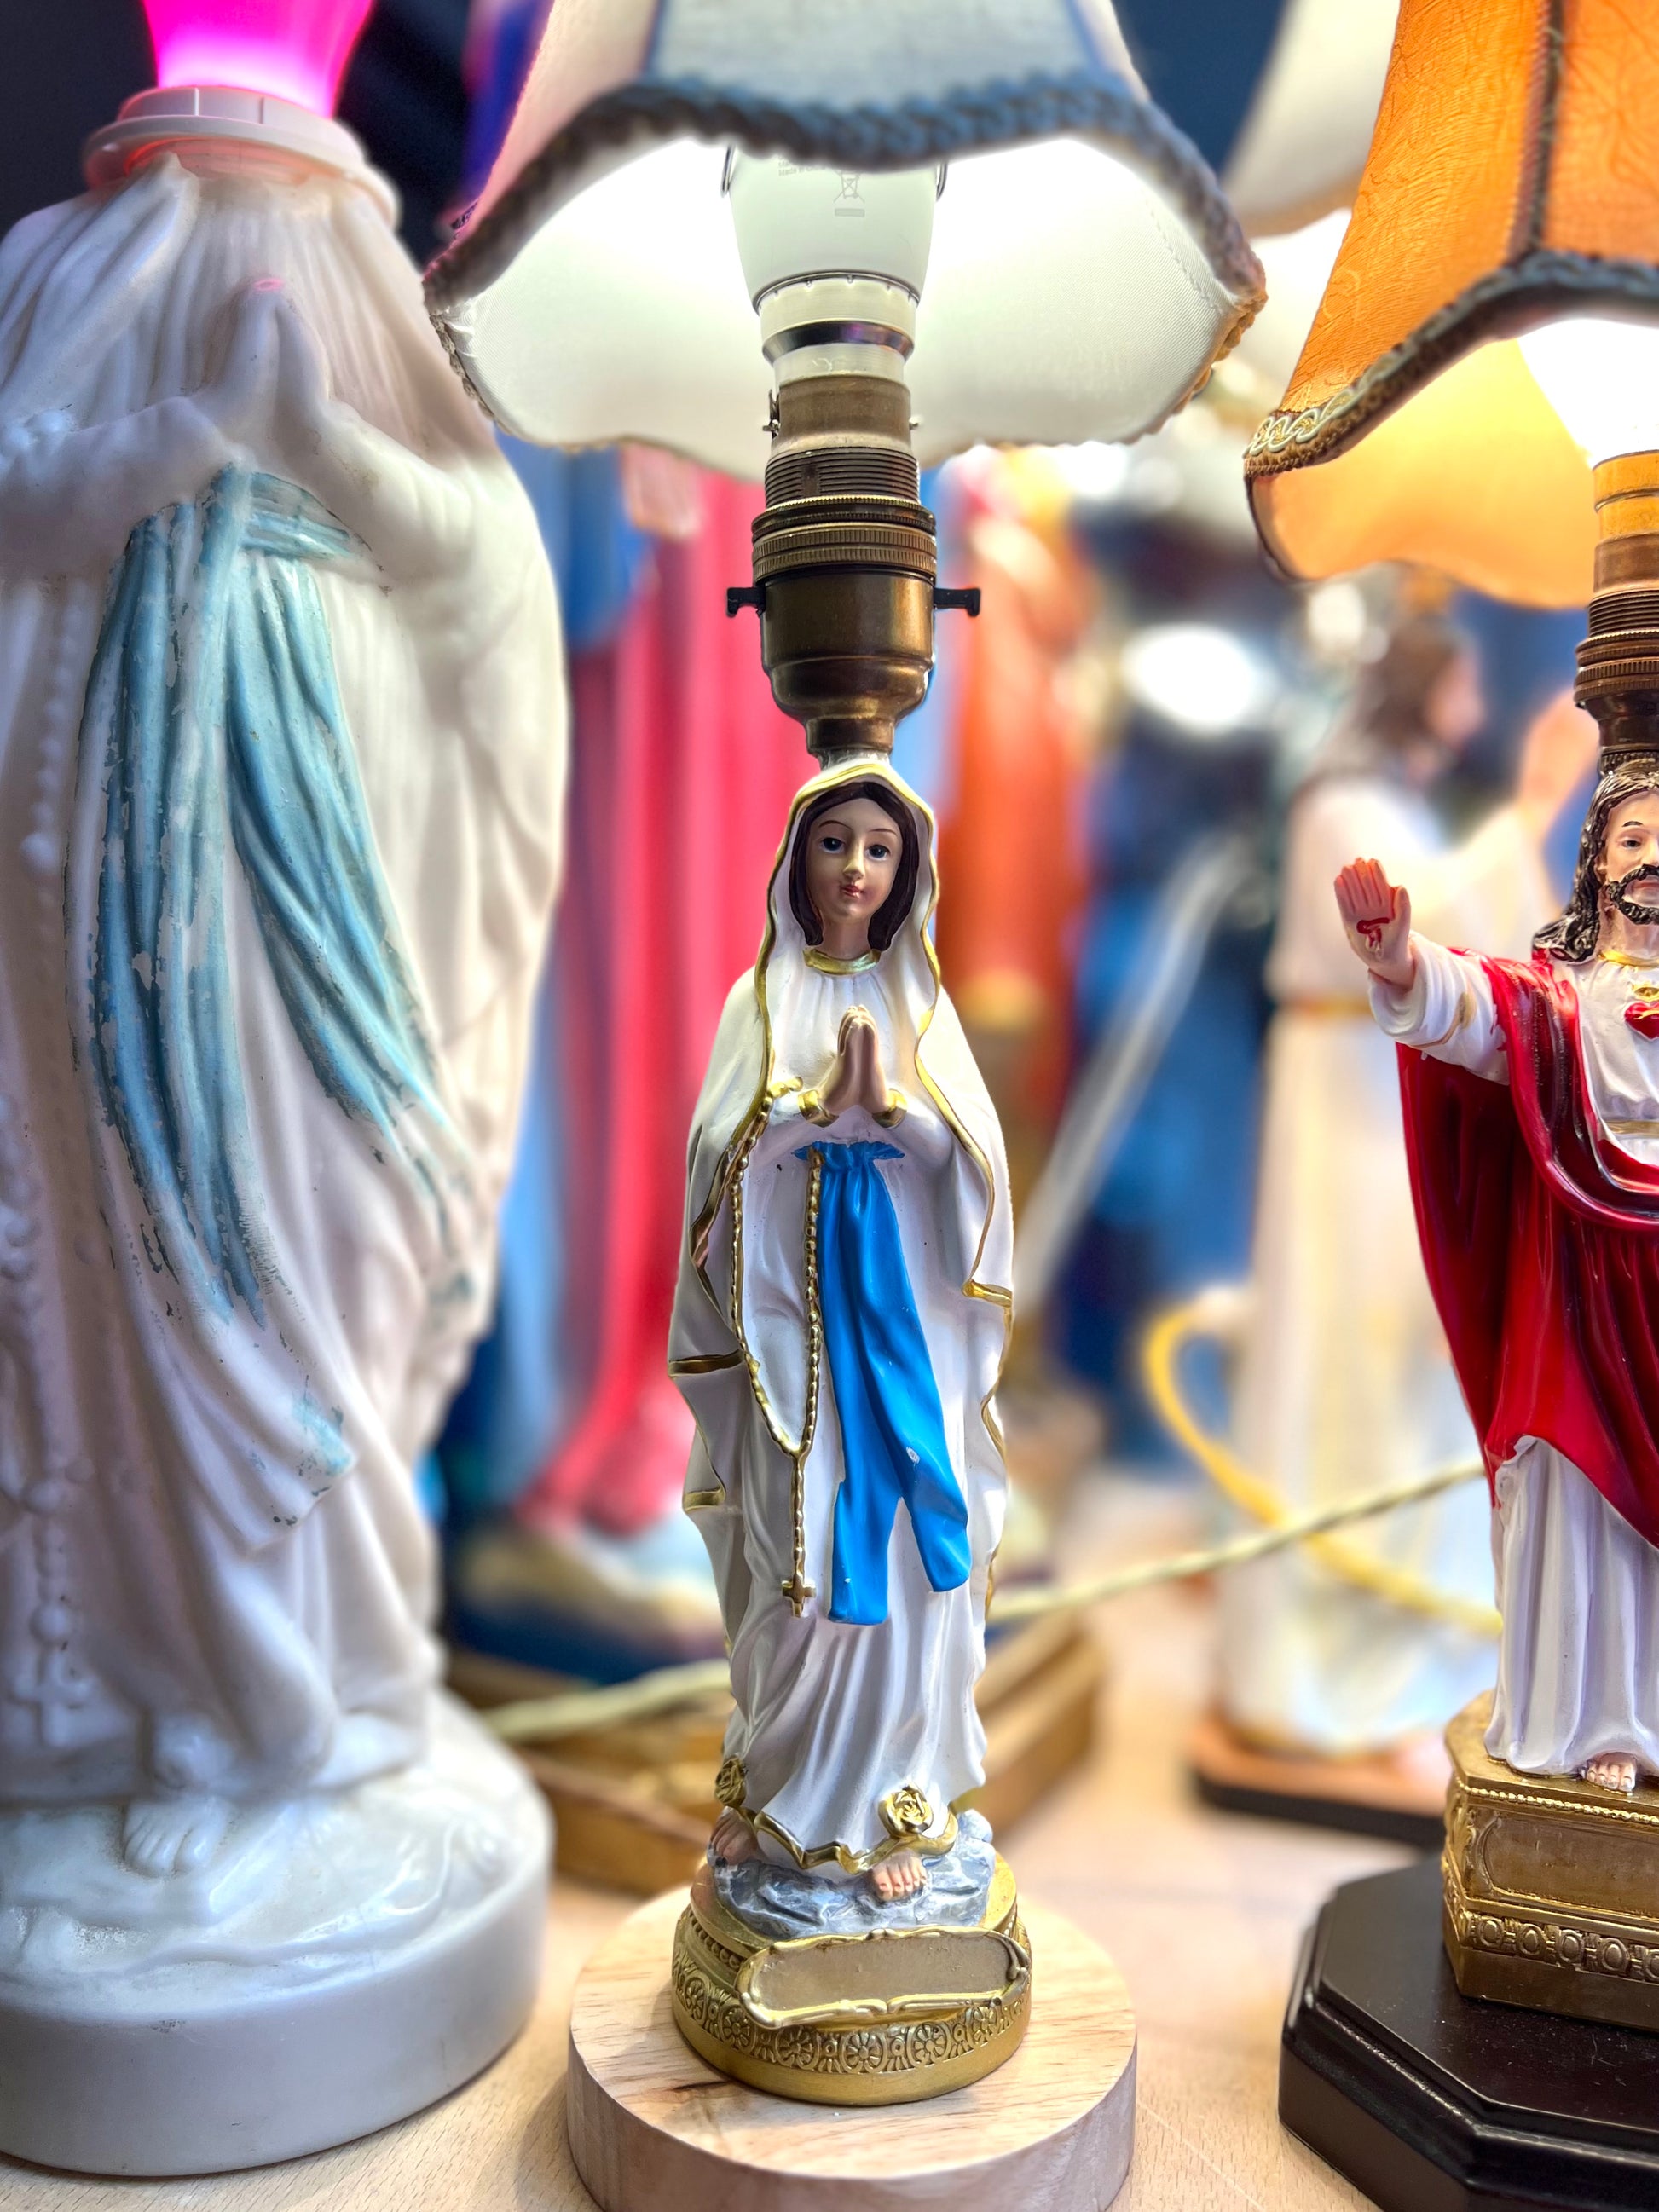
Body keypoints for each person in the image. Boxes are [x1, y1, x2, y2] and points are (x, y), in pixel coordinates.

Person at [0, 147, 564, 1874]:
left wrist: (321, 445)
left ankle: (335, 1683)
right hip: (136, 891)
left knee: (340, 1264)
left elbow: (490, 574)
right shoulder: (69, 266)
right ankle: (224, 1698)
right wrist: (180, 442)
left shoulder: (389, 305)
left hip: (348, 886)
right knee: (168, 1279)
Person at [1220, 609, 1594, 1765]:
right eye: (1460, 685)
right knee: (1357, 1353)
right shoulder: (1345, 801)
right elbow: (1417, 918)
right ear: (1422, 689)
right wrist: (1534, 802)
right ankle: (1331, 1678)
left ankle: (1392, 1659)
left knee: (1397, 1356)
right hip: (1349, 1100)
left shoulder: (1385, 798)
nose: (1472, 707)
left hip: (1381, 1082)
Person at [668, 761, 1011, 1903]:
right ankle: (777, 1790)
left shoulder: (923, 1005)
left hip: (902, 1335)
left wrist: (891, 1110)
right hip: (790, 1339)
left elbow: (974, 1173)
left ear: (905, 869)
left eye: (877, 847)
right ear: (796, 859)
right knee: (795, 1555)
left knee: (902, 1551)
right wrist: (808, 1114)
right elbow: (711, 1163)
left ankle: (885, 1800)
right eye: (834, 843)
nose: (855, 868)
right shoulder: (758, 1001)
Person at [1338, 752, 1659, 1794]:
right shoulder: (1553, 1003)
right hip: (1574, 1291)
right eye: (1632, 838)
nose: (1651, 859)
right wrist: (1398, 960)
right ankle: (1590, 1718)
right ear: (1595, 863)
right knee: (1575, 1494)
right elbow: (1466, 1005)